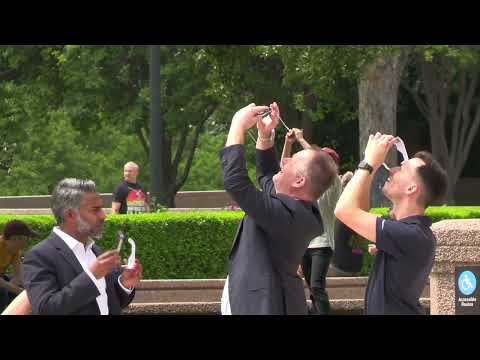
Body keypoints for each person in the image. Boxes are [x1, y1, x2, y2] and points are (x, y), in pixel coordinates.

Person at [220, 102, 338, 315]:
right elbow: (267, 177)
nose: (284, 161)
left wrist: (237, 124)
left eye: (291, 162)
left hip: (262, 305)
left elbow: (235, 182)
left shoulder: (286, 214)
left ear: (299, 181)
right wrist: (265, 137)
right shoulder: (296, 209)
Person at [335, 133, 448, 315]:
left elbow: (344, 211)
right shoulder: (411, 231)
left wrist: (369, 162)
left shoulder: (411, 234)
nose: (393, 169)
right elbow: (358, 209)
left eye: (402, 169)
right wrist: (371, 166)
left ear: (411, 188)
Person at [22, 178, 143, 315]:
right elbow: (46, 309)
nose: (103, 215)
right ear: (70, 214)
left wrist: (124, 284)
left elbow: (107, 303)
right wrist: (91, 276)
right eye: (95, 210)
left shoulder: (95, 251)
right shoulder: (40, 256)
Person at [281, 128, 351, 314]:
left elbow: (316, 161)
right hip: (305, 245)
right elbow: (283, 170)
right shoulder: (306, 185)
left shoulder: (334, 182)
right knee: (312, 288)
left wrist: (302, 140)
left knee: (317, 286)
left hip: (322, 245)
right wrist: (288, 143)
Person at [0, 220, 38, 312]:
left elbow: (20, 275)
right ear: (15, 238)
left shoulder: (15, 250)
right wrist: (21, 292)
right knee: (2, 291)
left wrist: (27, 288)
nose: (28, 242)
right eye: (27, 238)